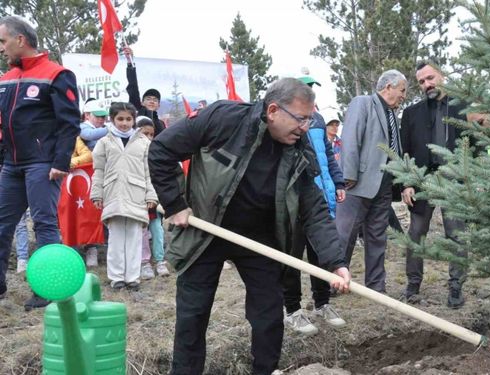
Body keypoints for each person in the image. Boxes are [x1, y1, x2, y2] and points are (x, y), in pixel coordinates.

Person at [148, 77, 351, 375]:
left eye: (309, 119)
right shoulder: (223, 120)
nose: (305, 127)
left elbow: (314, 208)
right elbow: (161, 150)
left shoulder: (298, 147)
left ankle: (265, 370)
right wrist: (175, 204)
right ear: (272, 110)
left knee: (268, 314)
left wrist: (335, 262)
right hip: (205, 229)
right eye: (300, 118)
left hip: (260, 237)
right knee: (193, 313)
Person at [0, 16, 80, 308]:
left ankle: (48, 289)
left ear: (20, 40)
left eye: (3, 41)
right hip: (11, 166)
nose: (1, 48)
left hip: (43, 164)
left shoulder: (57, 75)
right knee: (1, 224)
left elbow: (69, 123)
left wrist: (61, 161)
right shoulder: (6, 79)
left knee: (44, 224)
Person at [399, 61, 469, 308]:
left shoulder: (464, 108)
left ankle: (456, 288)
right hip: (422, 181)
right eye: (421, 81)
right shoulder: (411, 114)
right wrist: (407, 183)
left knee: (456, 235)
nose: (427, 84)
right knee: (416, 233)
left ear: (442, 75)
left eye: (430, 78)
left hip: (455, 180)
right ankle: (412, 286)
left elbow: (478, 144)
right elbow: (404, 151)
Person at [281, 75, 346, 336]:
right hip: (293, 200)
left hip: (319, 197)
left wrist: (338, 183)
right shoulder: (291, 123)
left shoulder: (317, 121)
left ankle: (322, 304)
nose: (309, 93)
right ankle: (293, 310)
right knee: (293, 257)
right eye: (305, 89)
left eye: (312, 90)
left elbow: (328, 156)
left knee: (320, 254)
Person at [336, 69, 406, 293]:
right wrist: (348, 176)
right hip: (358, 182)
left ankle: (376, 285)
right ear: (388, 87)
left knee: (377, 236)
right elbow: (350, 137)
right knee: (344, 234)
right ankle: (334, 282)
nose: (404, 95)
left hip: (384, 184)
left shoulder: (393, 115)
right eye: (402, 90)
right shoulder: (363, 103)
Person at [90, 102, 158, 291]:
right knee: (116, 237)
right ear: (112, 120)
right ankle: (117, 277)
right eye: (120, 119)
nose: (124, 123)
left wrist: (151, 194)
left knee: (135, 237)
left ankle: (132, 278)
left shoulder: (144, 143)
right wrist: (97, 193)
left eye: (128, 119)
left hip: (137, 194)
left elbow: (149, 172)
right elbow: (98, 170)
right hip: (113, 194)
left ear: (134, 120)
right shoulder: (104, 142)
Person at [136, 116, 170, 279]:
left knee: (157, 229)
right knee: (142, 232)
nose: (148, 138)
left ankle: (160, 260)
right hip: (138, 200)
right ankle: (144, 263)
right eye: (144, 134)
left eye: (151, 134)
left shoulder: (156, 153)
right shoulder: (132, 153)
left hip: (155, 200)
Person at [123, 47, 166, 136]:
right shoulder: (136, 115)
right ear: (142, 103)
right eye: (148, 99)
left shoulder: (161, 124)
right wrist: (130, 62)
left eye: (155, 100)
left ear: (158, 105)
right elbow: (133, 86)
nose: (151, 101)